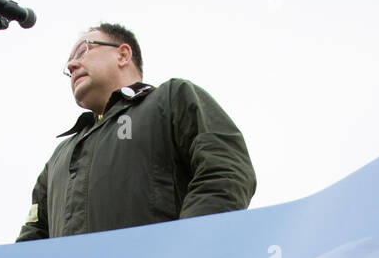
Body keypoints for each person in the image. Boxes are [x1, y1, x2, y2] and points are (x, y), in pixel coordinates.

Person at [16, 24, 256, 242]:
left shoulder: (171, 99)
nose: (71, 65)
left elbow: (225, 171)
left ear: (122, 55)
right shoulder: (59, 157)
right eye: (68, 66)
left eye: (82, 51)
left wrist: (185, 249)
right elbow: (32, 238)